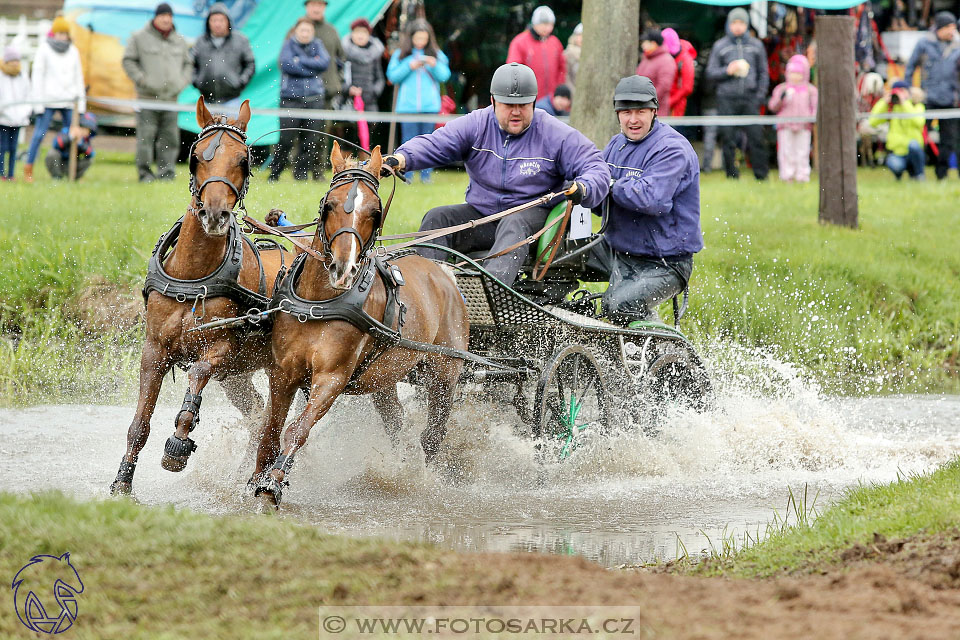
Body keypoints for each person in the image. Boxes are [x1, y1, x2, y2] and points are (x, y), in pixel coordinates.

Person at [380, 63, 610, 286]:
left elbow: (594, 165)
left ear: (534, 102)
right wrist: (402, 159)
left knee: (514, 222)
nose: (516, 112)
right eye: (508, 105)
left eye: (523, 105)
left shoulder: (554, 133)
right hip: (484, 216)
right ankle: (425, 292)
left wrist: (586, 187)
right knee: (437, 217)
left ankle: (490, 291)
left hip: (533, 219)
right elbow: (437, 143)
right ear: (492, 101)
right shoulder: (476, 124)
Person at [581, 75, 701, 326]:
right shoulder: (616, 145)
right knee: (553, 258)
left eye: (640, 111)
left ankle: (660, 351)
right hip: (617, 250)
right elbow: (597, 201)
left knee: (618, 306)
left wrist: (608, 185)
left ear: (654, 111)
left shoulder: (672, 149)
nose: (633, 119)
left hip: (665, 263)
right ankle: (564, 326)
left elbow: (651, 199)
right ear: (617, 114)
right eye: (626, 112)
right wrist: (580, 189)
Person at [122, 3, 191, 182]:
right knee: (145, 139)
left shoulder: (179, 40)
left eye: (169, 16)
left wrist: (182, 81)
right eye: (163, 15)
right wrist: (142, 80)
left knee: (170, 140)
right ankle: (145, 174)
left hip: (171, 100)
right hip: (147, 99)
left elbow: (188, 64)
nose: (166, 19)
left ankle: (166, 174)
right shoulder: (139, 37)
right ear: (155, 17)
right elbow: (128, 60)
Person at [705, 7, 769, 180]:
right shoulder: (720, 46)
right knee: (728, 139)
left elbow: (764, 73)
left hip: (750, 98)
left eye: (741, 23)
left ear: (747, 25)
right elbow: (710, 73)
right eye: (734, 23)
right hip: (726, 98)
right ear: (729, 24)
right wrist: (728, 70)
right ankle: (732, 176)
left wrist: (759, 97)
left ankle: (761, 176)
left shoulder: (756, 45)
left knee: (756, 138)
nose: (738, 26)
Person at [386, 19, 450, 184]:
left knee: (429, 142)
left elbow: (445, 76)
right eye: (417, 38)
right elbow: (392, 76)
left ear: (429, 38)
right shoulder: (401, 54)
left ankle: (426, 176)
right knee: (408, 141)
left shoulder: (437, 54)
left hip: (430, 106)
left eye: (424, 38)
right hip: (407, 106)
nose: (420, 42)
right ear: (411, 38)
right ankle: (407, 175)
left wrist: (433, 65)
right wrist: (409, 66)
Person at [24, 15, 85, 184]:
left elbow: (78, 78)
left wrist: (80, 105)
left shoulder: (73, 50)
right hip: (48, 100)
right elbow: (37, 76)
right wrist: (38, 104)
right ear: (53, 34)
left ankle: (70, 171)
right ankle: (29, 167)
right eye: (58, 33)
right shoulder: (44, 49)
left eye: (64, 33)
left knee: (72, 137)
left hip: (68, 101)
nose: (61, 37)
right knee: (38, 135)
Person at [269, 18, 329, 182]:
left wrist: (301, 61)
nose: (305, 34)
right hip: (290, 99)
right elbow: (287, 64)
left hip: (315, 98)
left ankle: (301, 174)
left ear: (313, 32)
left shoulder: (318, 44)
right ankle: (275, 173)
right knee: (286, 139)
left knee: (310, 140)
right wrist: (312, 66)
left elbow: (325, 62)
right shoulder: (288, 44)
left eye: (308, 31)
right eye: (302, 30)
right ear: (296, 31)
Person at [904, 11, 960, 180]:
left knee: (948, 141)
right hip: (926, 98)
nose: (952, 31)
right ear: (940, 28)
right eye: (949, 27)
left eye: (954, 28)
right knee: (917, 136)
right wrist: (908, 90)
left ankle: (941, 175)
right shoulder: (924, 43)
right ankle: (915, 172)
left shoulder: (957, 46)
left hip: (950, 99)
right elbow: (910, 67)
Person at [304, 0, 345, 178]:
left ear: (325, 8)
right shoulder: (297, 29)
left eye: (320, 4)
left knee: (321, 133)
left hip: (326, 91)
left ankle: (319, 172)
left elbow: (341, 59)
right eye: (313, 4)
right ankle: (300, 171)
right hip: (301, 92)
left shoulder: (331, 31)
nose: (316, 8)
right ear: (307, 7)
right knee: (301, 132)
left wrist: (337, 80)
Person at [190, 2, 255, 107]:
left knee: (230, 124)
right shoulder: (201, 42)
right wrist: (197, 82)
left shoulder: (240, 40)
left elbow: (250, 64)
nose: (217, 24)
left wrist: (240, 82)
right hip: (206, 101)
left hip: (231, 101)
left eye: (221, 20)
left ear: (228, 21)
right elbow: (191, 64)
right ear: (208, 22)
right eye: (214, 20)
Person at [768, 55, 817, 182]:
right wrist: (781, 98)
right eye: (792, 73)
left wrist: (811, 119)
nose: (795, 77)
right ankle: (787, 175)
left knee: (803, 151)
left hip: (803, 125)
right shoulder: (781, 89)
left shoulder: (810, 90)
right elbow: (773, 106)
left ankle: (802, 175)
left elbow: (815, 107)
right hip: (785, 125)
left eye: (798, 74)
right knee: (786, 151)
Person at [869, 80, 926, 180]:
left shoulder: (916, 106)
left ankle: (919, 175)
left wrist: (904, 103)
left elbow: (919, 122)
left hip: (913, 151)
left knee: (914, 145)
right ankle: (898, 175)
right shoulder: (891, 109)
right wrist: (884, 102)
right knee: (894, 163)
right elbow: (872, 121)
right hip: (898, 152)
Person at [506, 6, 565, 100]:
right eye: (543, 24)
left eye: (550, 24)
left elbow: (562, 67)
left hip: (552, 99)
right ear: (535, 23)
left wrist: (558, 90)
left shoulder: (555, 42)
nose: (547, 28)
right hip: (529, 98)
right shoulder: (520, 42)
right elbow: (513, 69)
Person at [341, 17, 385, 137]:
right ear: (352, 34)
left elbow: (380, 78)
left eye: (364, 32)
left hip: (369, 103)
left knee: (367, 143)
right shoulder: (343, 53)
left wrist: (373, 91)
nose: (360, 36)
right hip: (348, 103)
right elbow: (338, 77)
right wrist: (348, 89)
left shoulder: (374, 54)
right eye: (357, 32)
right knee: (347, 142)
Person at [0, 45, 31, 181]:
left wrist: (24, 112)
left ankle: (11, 174)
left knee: (13, 148)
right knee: (2, 147)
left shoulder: (23, 76)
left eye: (17, 60)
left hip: (18, 118)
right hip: (3, 118)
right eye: (12, 60)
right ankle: (2, 174)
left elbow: (28, 96)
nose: (15, 63)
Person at [45, 111, 96, 180]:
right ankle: (57, 177)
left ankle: (74, 177)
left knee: (89, 160)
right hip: (59, 162)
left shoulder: (85, 140)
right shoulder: (66, 131)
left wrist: (80, 143)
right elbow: (56, 144)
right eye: (84, 129)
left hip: (73, 164)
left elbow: (91, 153)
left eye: (88, 131)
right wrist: (70, 137)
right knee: (52, 153)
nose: (85, 132)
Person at [636, 28, 674, 117]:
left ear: (654, 43)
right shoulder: (646, 58)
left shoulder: (666, 60)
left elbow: (664, 86)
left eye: (645, 42)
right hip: (641, 110)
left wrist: (647, 102)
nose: (643, 45)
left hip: (656, 112)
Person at [661, 27, 696, 118]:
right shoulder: (669, 56)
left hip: (676, 104)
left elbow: (687, 87)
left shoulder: (685, 59)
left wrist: (670, 101)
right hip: (663, 102)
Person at [564, 23, 582, 91]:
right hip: (572, 94)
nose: (582, 38)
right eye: (579, 35)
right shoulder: (567, 54)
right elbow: (566, 77)